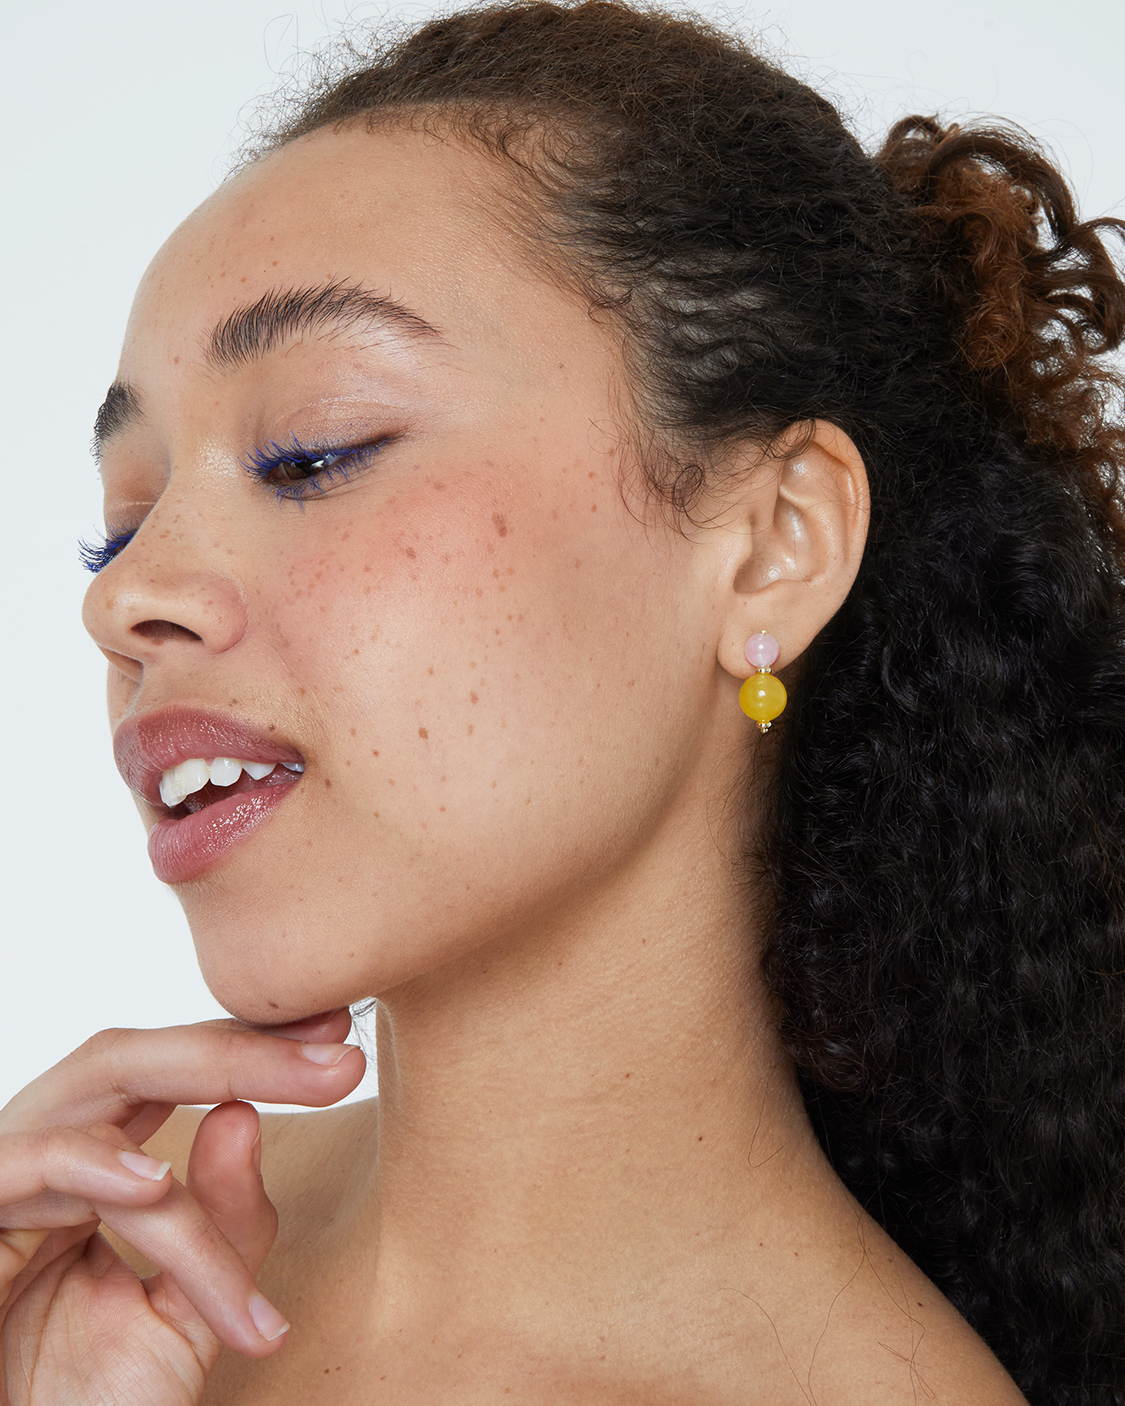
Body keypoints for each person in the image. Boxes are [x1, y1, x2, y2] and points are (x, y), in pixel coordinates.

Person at [2, 1, 1123, 1400]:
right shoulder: (91, 1271)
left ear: (774, 542)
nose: (125, 596)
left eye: (313, 452)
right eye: (123, 520)